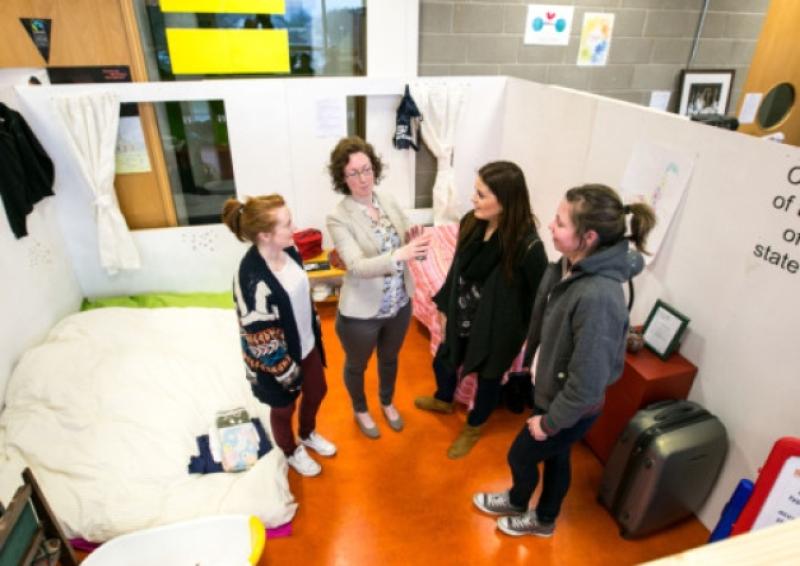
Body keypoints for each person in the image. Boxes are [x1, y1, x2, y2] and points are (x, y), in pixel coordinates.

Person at [473, 184, 656, 537]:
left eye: (559, 222)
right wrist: (530, 363)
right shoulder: (568, 265)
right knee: (557, 458)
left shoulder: (599, 297)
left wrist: (550, 423)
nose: (550, 227)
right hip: (551, 392)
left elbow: (587, 386)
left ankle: (527, 508)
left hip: (568, 406)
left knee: (521, 456)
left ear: (588, 236)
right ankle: (542, 516)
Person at [414, 161, 548, 459]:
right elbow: (457, 266)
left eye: (482, 194)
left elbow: (538, 296)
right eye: (476, 191)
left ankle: (474, 426)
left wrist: (518, 332)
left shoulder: (527, 245)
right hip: (462, 312)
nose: (473, 199)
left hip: (498, 328)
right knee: (446, 359)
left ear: (505, 201)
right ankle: (444, 399)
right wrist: (445, 303)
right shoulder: (471, 222)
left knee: (488, 378)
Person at [222, 194, 336, 477]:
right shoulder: (251, 280)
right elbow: (263, 342)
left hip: (305, 343)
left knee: (318, 390)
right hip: (275, 363)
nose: (293, 227)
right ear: (265, 235)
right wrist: (288, 376)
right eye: (286, 224)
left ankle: (307, 433)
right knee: (284, 408)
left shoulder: (290, 250)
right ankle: (290, 450)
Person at [326, 136, 431, 439]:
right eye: (354, 173)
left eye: (367, 169)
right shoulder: (338, 216)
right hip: (361, 313)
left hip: (399, 304)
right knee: (357, 365)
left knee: (390, 358)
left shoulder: (387, 200)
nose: (363, 178)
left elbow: (406, 240)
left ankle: (386, 401)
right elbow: (356, 265)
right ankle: (360, 408)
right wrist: (399, 254)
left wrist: (413, 239)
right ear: (342, 178)